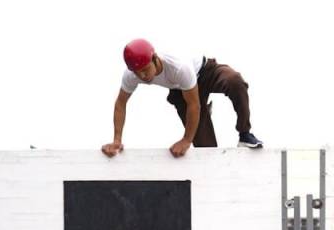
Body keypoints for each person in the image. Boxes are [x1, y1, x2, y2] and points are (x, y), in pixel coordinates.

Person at [101, 38, 262, 159]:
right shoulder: (131, 75)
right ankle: (203, 117)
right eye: (137, 73)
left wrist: (186, 139)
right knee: (206, 150)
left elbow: (194, 105)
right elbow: (120, 104)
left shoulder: (178, 67)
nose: (143, 76)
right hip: (180, 91)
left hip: (205, 72)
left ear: (155, 58)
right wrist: (117, 140)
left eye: (145, 70)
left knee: (235, 81)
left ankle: (244, 133)